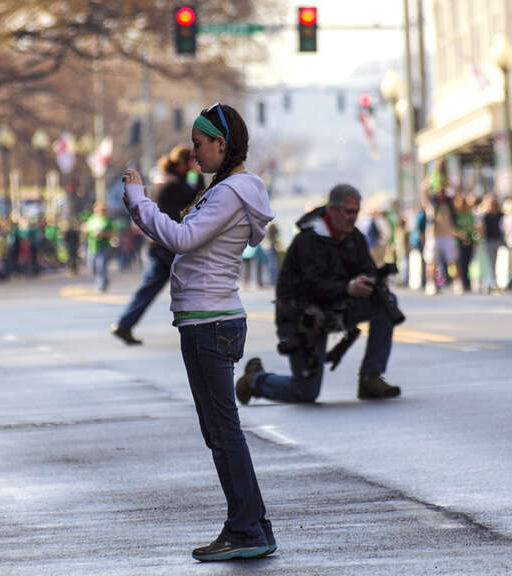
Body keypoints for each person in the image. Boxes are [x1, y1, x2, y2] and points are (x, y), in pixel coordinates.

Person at [122, 103, 276, 562]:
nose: (194, 153)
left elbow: (182, 239)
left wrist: (139, 200)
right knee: (221, 430)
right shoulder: (228, 190)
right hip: (209, 318)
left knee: (223, 431)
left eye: (199, 144)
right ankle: (253, 524)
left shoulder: (230, 192)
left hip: (211, 321)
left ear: (222, 144)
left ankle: (246, 529)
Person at [234, 183, 402, 404]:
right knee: (306, 392)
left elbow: (367, 268)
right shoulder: (308, 240)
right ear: (332, 210)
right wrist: (347, 287)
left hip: (336, 309)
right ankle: (255, 381)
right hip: (303, 317)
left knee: (385, 301)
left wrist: (372, 281)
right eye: (348, 212)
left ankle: (371, 377)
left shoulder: (355, 238)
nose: (352, 218)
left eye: (356, 212)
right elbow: (309, 286)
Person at [111, 145, 201, 345]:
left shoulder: (164, 180)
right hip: (168, 244)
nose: (194, 166)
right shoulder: (174, 184)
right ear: (182, 163)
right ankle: (199, 331)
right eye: (191, 162)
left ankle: (124, 324)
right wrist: (198, 175)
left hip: (160, 243)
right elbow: (198, 198)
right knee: (194, 285)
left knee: (149, 287)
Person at [83, 203, 113, 292]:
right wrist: (84, 230)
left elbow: (112, 233)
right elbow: (85, 229)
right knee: (92, 267)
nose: (100, 212)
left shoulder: (107, 221)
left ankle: (102, 284)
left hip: (103, 247)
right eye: (98, 210)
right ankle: (105, 280)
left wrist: (102, 234)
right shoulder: (91, 219)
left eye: (102, 210)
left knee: (101, 266)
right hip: (92, 247)